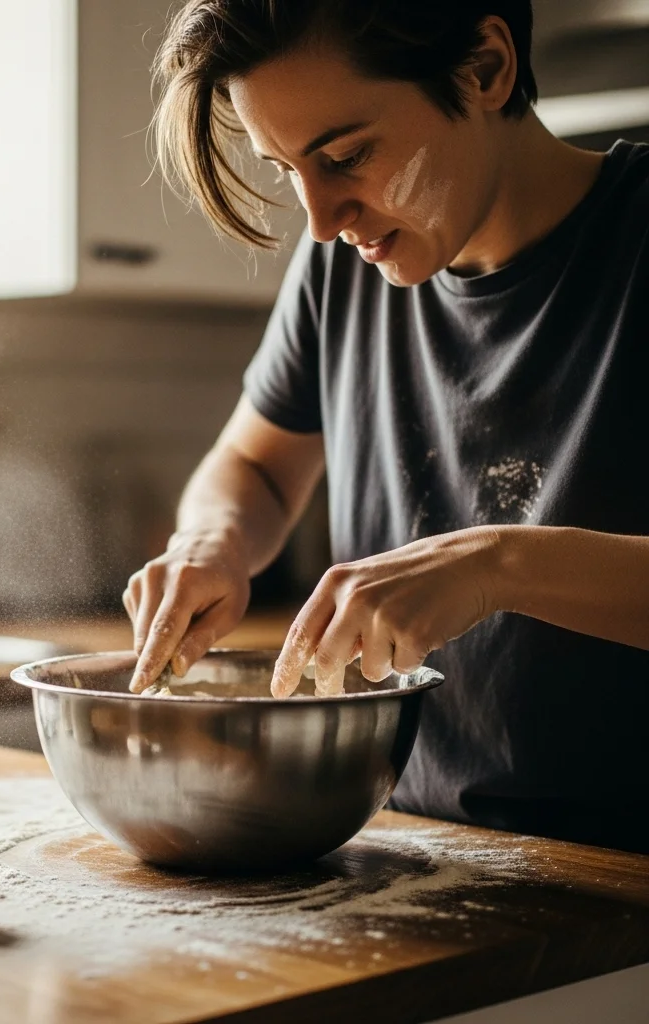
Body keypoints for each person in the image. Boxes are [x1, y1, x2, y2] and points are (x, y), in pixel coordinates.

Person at [123, 0, 649, 854]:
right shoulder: (341, 267)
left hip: (621, 888)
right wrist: (212, 543)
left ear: (485, 68)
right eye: (288, 169)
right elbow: (254, 466)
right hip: (414, 851)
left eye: (346, 156)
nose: (322, 218)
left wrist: (501, 562)